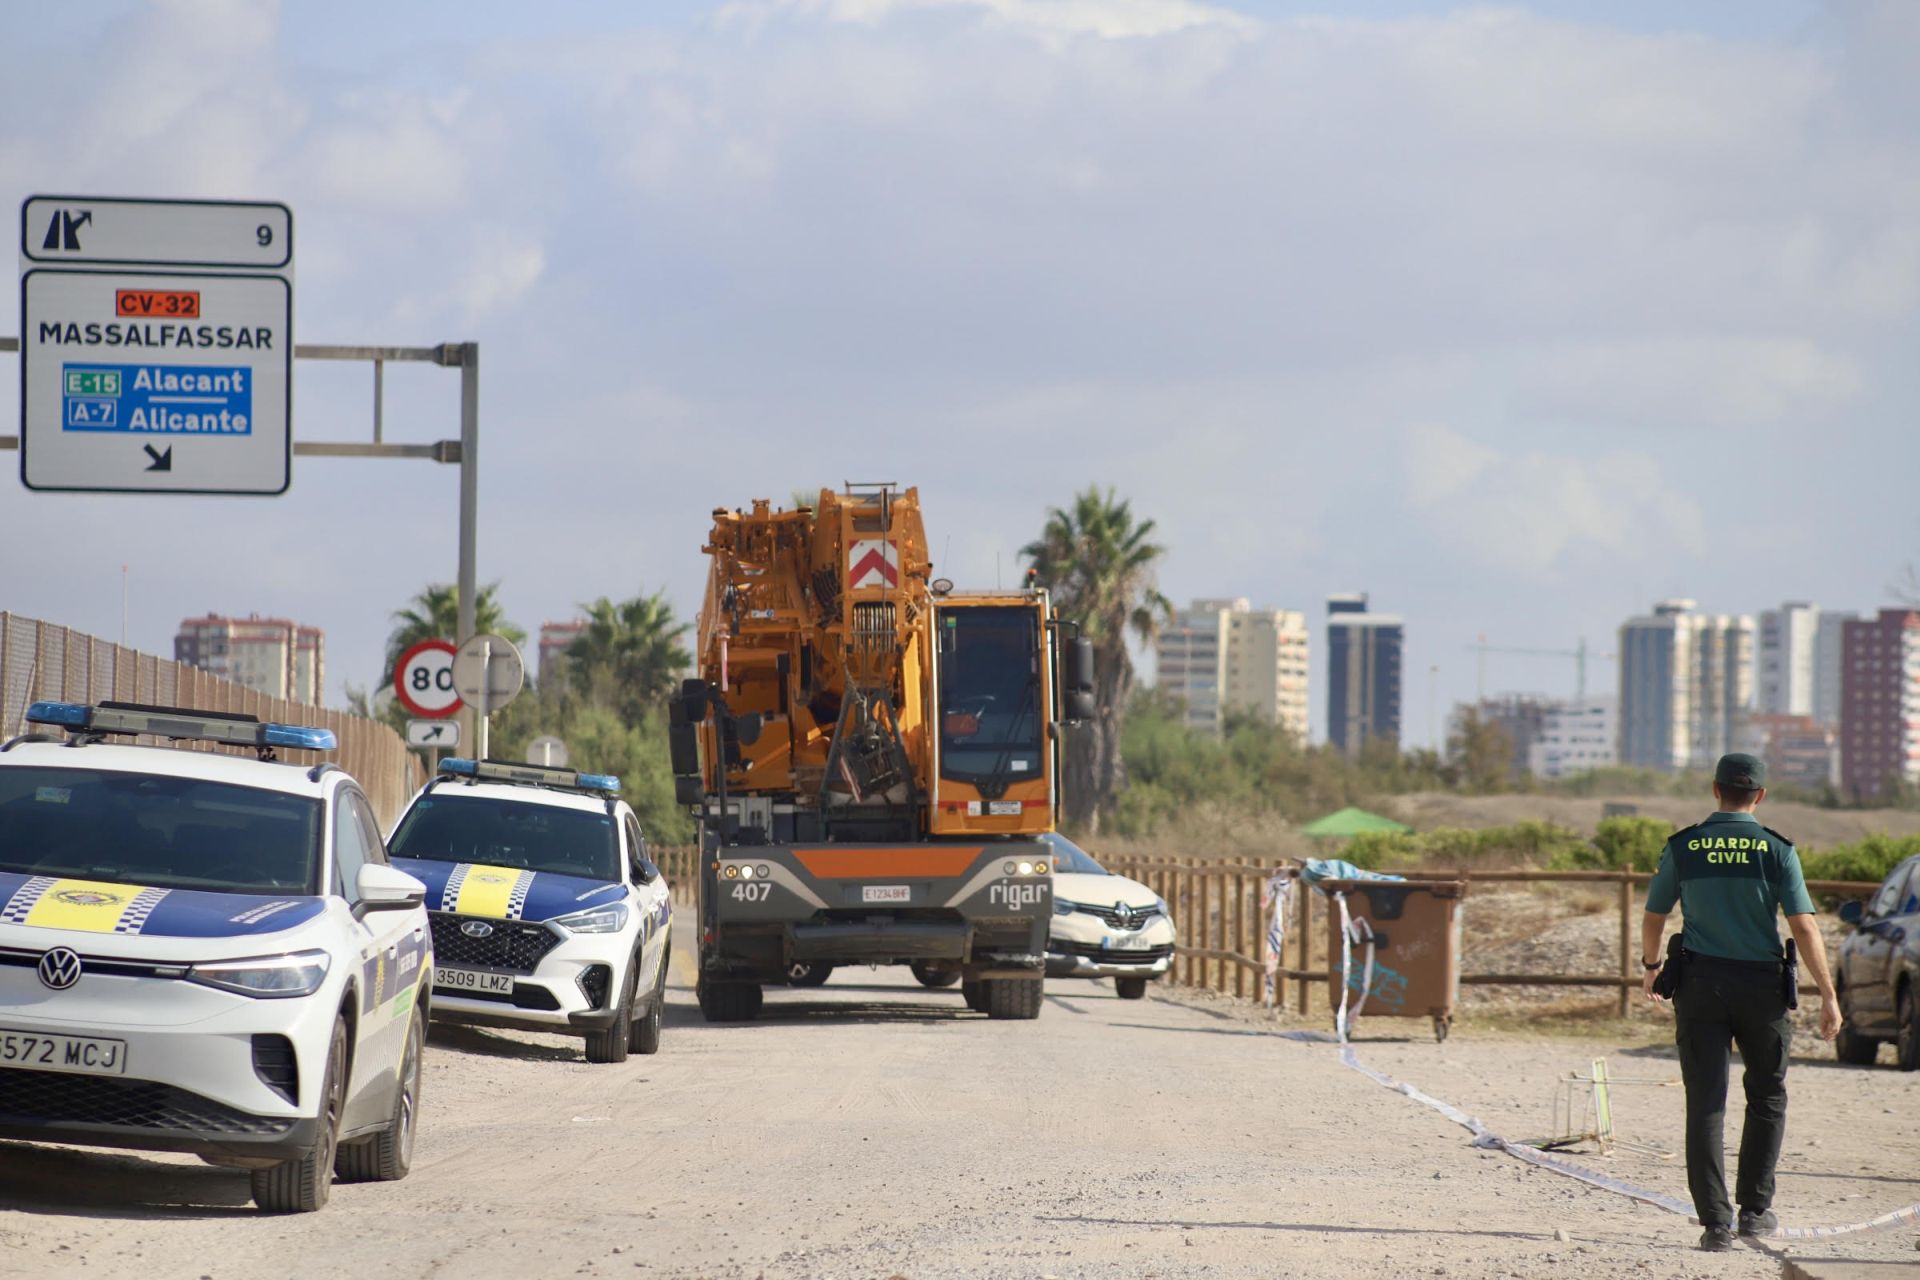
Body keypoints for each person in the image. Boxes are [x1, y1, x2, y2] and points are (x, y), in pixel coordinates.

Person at [1641, 753, 1840, 1252]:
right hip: (1762, 989)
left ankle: (1715, 1223)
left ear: (1715, 790)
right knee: (1767, 1096)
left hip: (1701, 985)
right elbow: (1803, 925)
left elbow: (1654, 914)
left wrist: (1650, 966)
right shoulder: (1777, 850)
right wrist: (1829, 995)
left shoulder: (1684, 845)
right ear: (1760, 795)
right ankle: (1754, 1211)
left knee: (1706, 1101)